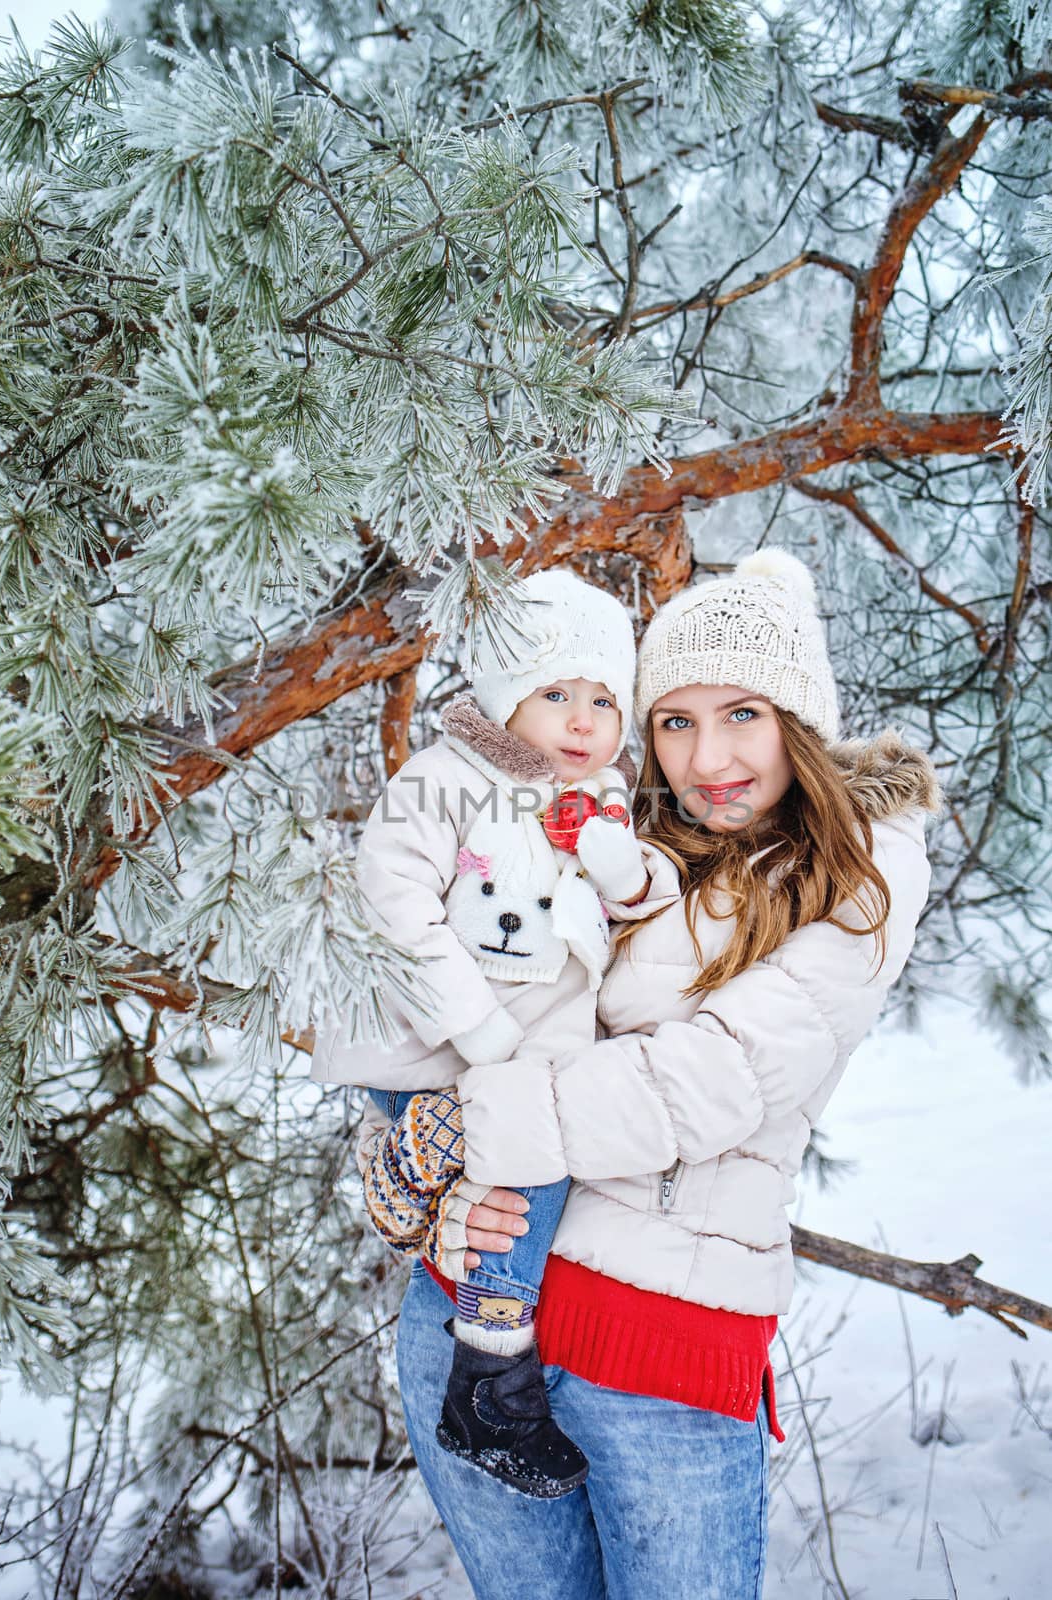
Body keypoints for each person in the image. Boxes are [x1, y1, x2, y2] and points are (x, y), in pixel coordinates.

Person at [360, 547, 941, 1599]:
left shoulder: (859, 870)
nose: (705, 755)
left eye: (740, 715)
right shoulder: (601, 840)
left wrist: (467, 1123)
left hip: (659, 1361)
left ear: (797, 718)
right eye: (672, 720)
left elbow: (708, 1082)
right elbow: (453, 995)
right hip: (475, 1311)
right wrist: (400, 1167)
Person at [311, 568, 650, 1499]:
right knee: (520, 1179)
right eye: (555, 695)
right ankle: (491, 1381)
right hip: (433, 1048)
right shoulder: (448, 777)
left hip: (520, 1063)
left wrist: (618, 866)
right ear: (506, 698)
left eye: (602, 700)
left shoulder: (601, 801)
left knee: (523, 1185)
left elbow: (624, 911)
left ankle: (484, 1378)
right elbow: (392, 904)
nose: (583, 721)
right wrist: (485, 1036)